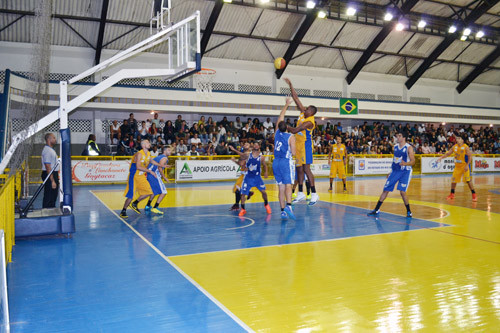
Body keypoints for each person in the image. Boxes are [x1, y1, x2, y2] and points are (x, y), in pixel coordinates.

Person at [283, 78, 319, 205]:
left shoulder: (309, 122)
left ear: (312, 112)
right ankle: (300, 193)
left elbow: (294, 130)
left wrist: (283, 126)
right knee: (298, 170)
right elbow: (296, 98)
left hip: (306, 146)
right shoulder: (303, 114)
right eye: (306, 108)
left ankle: (314, 193)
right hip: (298, 145)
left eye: (308, 109)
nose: (305, 109)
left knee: (306, 170)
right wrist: (291, 85)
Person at [367, 132, 415, 218]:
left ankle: (409, 211)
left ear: (404, 138)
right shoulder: (395, 147)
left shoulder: (409, 148)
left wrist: (406, 163)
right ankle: (376, 209)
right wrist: (390, 171)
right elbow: (395, 160)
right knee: (385, 189)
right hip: (395, 171)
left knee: (402, 192)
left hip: (405, 171)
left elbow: (413, 161)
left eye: (399, 136)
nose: (397, 137)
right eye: (397, 136)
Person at [120, 139, 159, 218]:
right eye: (148, 142)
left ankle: (135, 203)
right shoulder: (139, 154)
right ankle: (123, 210)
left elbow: (152, 161)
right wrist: (150, 171)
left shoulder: (148, 153)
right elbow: (138, 167)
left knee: (149, 192)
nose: (149, 143)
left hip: (141, 176)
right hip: (134, 176)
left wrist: (161, 165)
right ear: (143, 145)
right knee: (131, 195)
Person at [272, 97, 296, 219]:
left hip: (275, 162)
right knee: (288, 185)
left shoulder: (276, 133)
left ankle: (282, 211)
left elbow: (280, 117)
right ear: (287, 127)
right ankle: (289, 205)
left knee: (281, 187)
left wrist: (286, 105)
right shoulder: (290, 136)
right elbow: (294, 152)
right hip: (285, 162)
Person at [436, 134, 477, 201]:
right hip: (457, 167)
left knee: (468, 181)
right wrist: (441, 157)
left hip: (464, 166)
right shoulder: (454, 147)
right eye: (457, 138)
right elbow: (448, 153)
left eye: (459, 138)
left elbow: (470, 156)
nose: (457, 139)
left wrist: (467, 165)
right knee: (453, 180)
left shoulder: (465, 147)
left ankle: (474, 195)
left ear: (462, 140)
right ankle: (452, 194)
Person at [238, 141, 271, 217]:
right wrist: (243, 167)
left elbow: (265, 165)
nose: (256, 146)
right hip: (248, 177)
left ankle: (266, 204)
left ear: (259, 147)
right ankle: (243, 209)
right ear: (253, 147)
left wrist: (266, 172)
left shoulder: (261, 157)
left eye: (257, 145)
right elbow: (241, 162)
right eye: (255, 145)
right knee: (243, 194)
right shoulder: (248, 155)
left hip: (257, 178)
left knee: (264, 192)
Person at [145, 146, 171, 215]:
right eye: (168, 150)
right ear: (164, 151)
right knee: (164, 191)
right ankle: (155, 207)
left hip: (150, 174)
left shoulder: (159, 156)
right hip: (154, 175)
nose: (170, 151)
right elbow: (160, 168)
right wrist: (164, 177)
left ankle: (148, 205)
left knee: (154, 191)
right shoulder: (164, 158)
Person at [229, 143, 253, 211]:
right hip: (243, 174)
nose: (245, 145)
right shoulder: (243, 154)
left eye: (247, 144)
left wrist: (234, 149)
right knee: (237, 189)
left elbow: (243, 156)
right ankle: (248, 193)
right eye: (245, 144)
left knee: (238, 189)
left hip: (247, 175)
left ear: (249, 147)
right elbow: (240, 164)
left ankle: (238, 205)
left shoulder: (249, 153)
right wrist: (235, 161)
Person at [41, 133, 59, 208]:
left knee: (53, 195)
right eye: (54, 138)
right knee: (49, 195)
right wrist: (52, 181)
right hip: (49, 174)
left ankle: (51, 210)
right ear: (49, 139)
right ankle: (47, 211)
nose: (55, 139)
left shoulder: (51, 150)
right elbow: (48, 166)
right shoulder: (48, 151)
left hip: (52, 173)